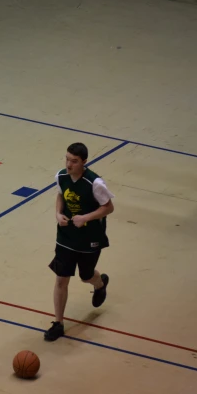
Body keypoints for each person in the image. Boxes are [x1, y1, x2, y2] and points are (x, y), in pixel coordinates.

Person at [45, 142, 115, 342]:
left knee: (85, 276)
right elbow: (60, 195)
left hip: (90, 237)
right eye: (67, 159)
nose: (68, 165)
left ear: (84, 162)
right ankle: (58, 323)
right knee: (61, 278)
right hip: (66, 235)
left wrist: (86, 218)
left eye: (74, 161)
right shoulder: (61, 176)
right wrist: (58, 213)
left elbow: (108, 208)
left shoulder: (95, 183)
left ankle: (100, 284)